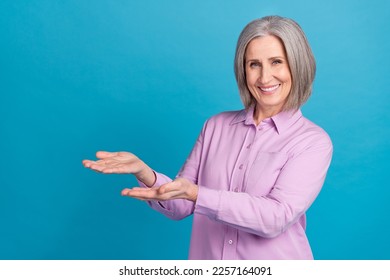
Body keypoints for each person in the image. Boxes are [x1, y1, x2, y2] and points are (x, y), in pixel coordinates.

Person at [82, 15, 333, 260]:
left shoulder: (312, 142)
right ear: (243, 69)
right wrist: (145, 173)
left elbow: (274, 218)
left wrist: (197, 194)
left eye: (277, 61)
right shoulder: (215, 126)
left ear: (297, 64)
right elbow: (181, 203)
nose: (265, 77)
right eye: (254, 64)